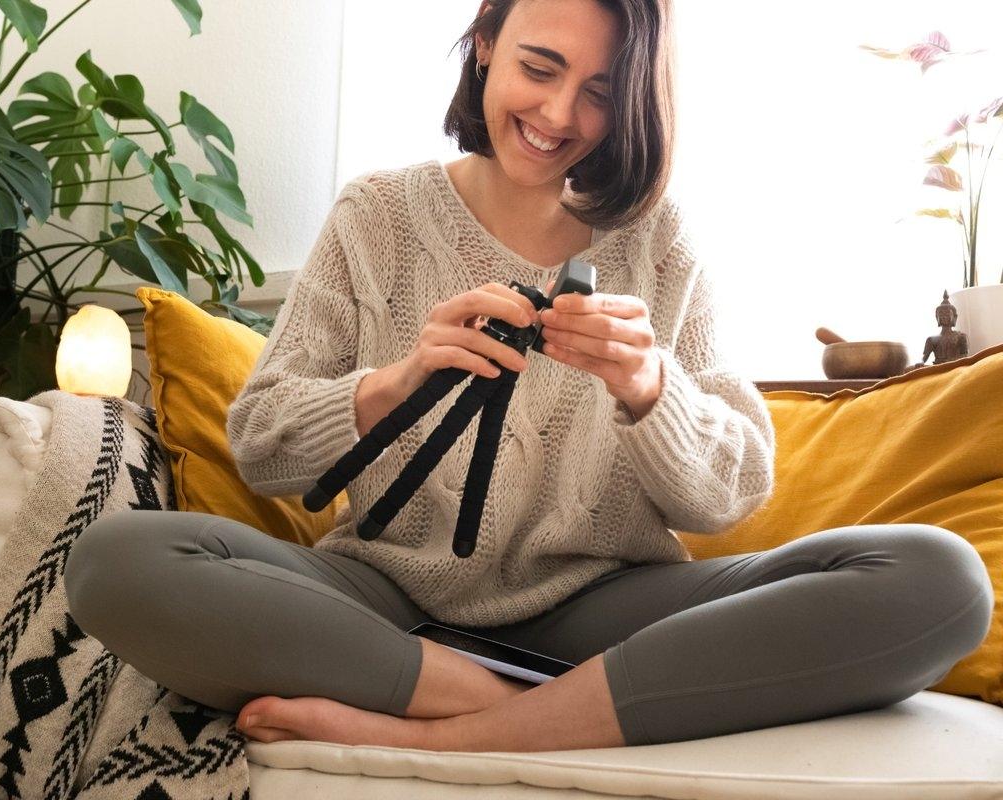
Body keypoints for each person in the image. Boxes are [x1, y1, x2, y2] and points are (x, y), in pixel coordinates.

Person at [64, 0, 993, 751]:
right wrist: (393, 383)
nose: (557, 116)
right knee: (117, 560)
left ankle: (462, 734)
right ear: (483, 47)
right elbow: (261, 445)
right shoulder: (379, 215)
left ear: (631, 101)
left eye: (597, 91)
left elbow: (734, 492)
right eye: (539, 67)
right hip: (383, 603)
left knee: (940, 579)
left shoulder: (662, 244)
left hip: (607, 608)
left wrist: (650, 391)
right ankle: (481, 696)